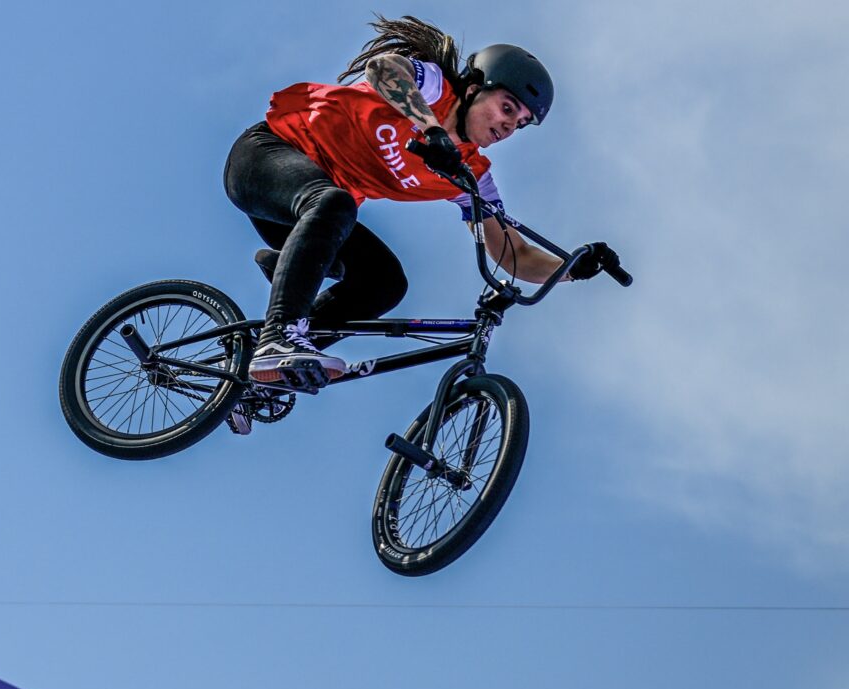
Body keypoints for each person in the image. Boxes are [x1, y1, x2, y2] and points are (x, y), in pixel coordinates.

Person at [222, 15, 620, 434]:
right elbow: (382, 70)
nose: (509, 125)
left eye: (519, 123)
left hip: (312, 217)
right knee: (335, 203)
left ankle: (262, 368)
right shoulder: (435, 89)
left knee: (385, 283)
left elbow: (513, 254)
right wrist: (430, 129)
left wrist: (572, 269)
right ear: (473, 89)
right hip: (266, 158)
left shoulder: (470, 175)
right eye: (507, 107)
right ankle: (279, 334)